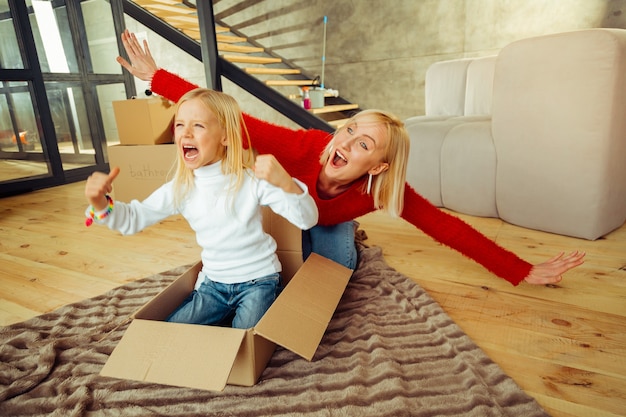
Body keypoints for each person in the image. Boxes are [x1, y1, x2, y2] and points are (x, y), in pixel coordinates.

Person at [115, 29, 585, 286]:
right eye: (349, 129)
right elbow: (233, 118)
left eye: (363, 145)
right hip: (286, 208)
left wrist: (521, 271)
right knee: (284, 260)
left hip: (327, 219)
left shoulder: (383, 190)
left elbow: (449, 229)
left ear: (378, 166)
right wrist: (158, 77)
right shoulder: (305, 145)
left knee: (336, 271)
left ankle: (346, 232)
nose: (343, 143)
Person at [85, 88, 318, 329]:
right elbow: (133, 218)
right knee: (170, 333)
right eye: (179, 125)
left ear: (225, 137)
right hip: (213, 285)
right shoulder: (181, 188)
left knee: (242, 342)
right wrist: (99, 203)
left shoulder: (252, 181)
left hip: (259, 280)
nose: (185, 133)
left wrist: (286, 184)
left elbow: (307, 220)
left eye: (198, 126)